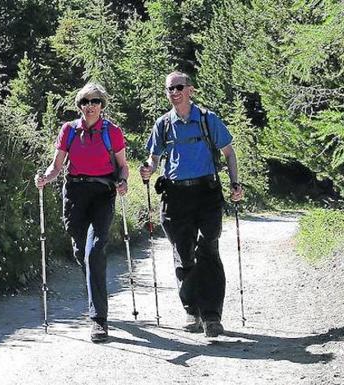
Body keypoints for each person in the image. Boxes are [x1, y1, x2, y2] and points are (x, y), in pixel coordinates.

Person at [139, 71, 243, 337]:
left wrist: (235, 183)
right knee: (183, 253)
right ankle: (192, 309)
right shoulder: (163, 124)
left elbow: (228, 152)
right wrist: (148, 168)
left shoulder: (208, 120)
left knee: (208, 250)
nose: (173, 92)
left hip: (207, 192)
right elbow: (154, 157)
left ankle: (211, 316)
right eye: (169, 88)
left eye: (178, 87)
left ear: (190, 90)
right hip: (176, 196)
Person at [35, 82, 129, 343]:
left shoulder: (113, 132)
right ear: (79, 105)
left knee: (95, 250)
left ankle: (98, 319)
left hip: (103, 193)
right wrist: (45, 178)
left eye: (95, 101)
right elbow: (56, 166)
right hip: (75, 193)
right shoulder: (69, 130)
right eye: (86, 102)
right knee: (81, 252)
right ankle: (94, 289)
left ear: (102, 105)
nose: (90, 106)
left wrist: (123, 182)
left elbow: (123, 166)